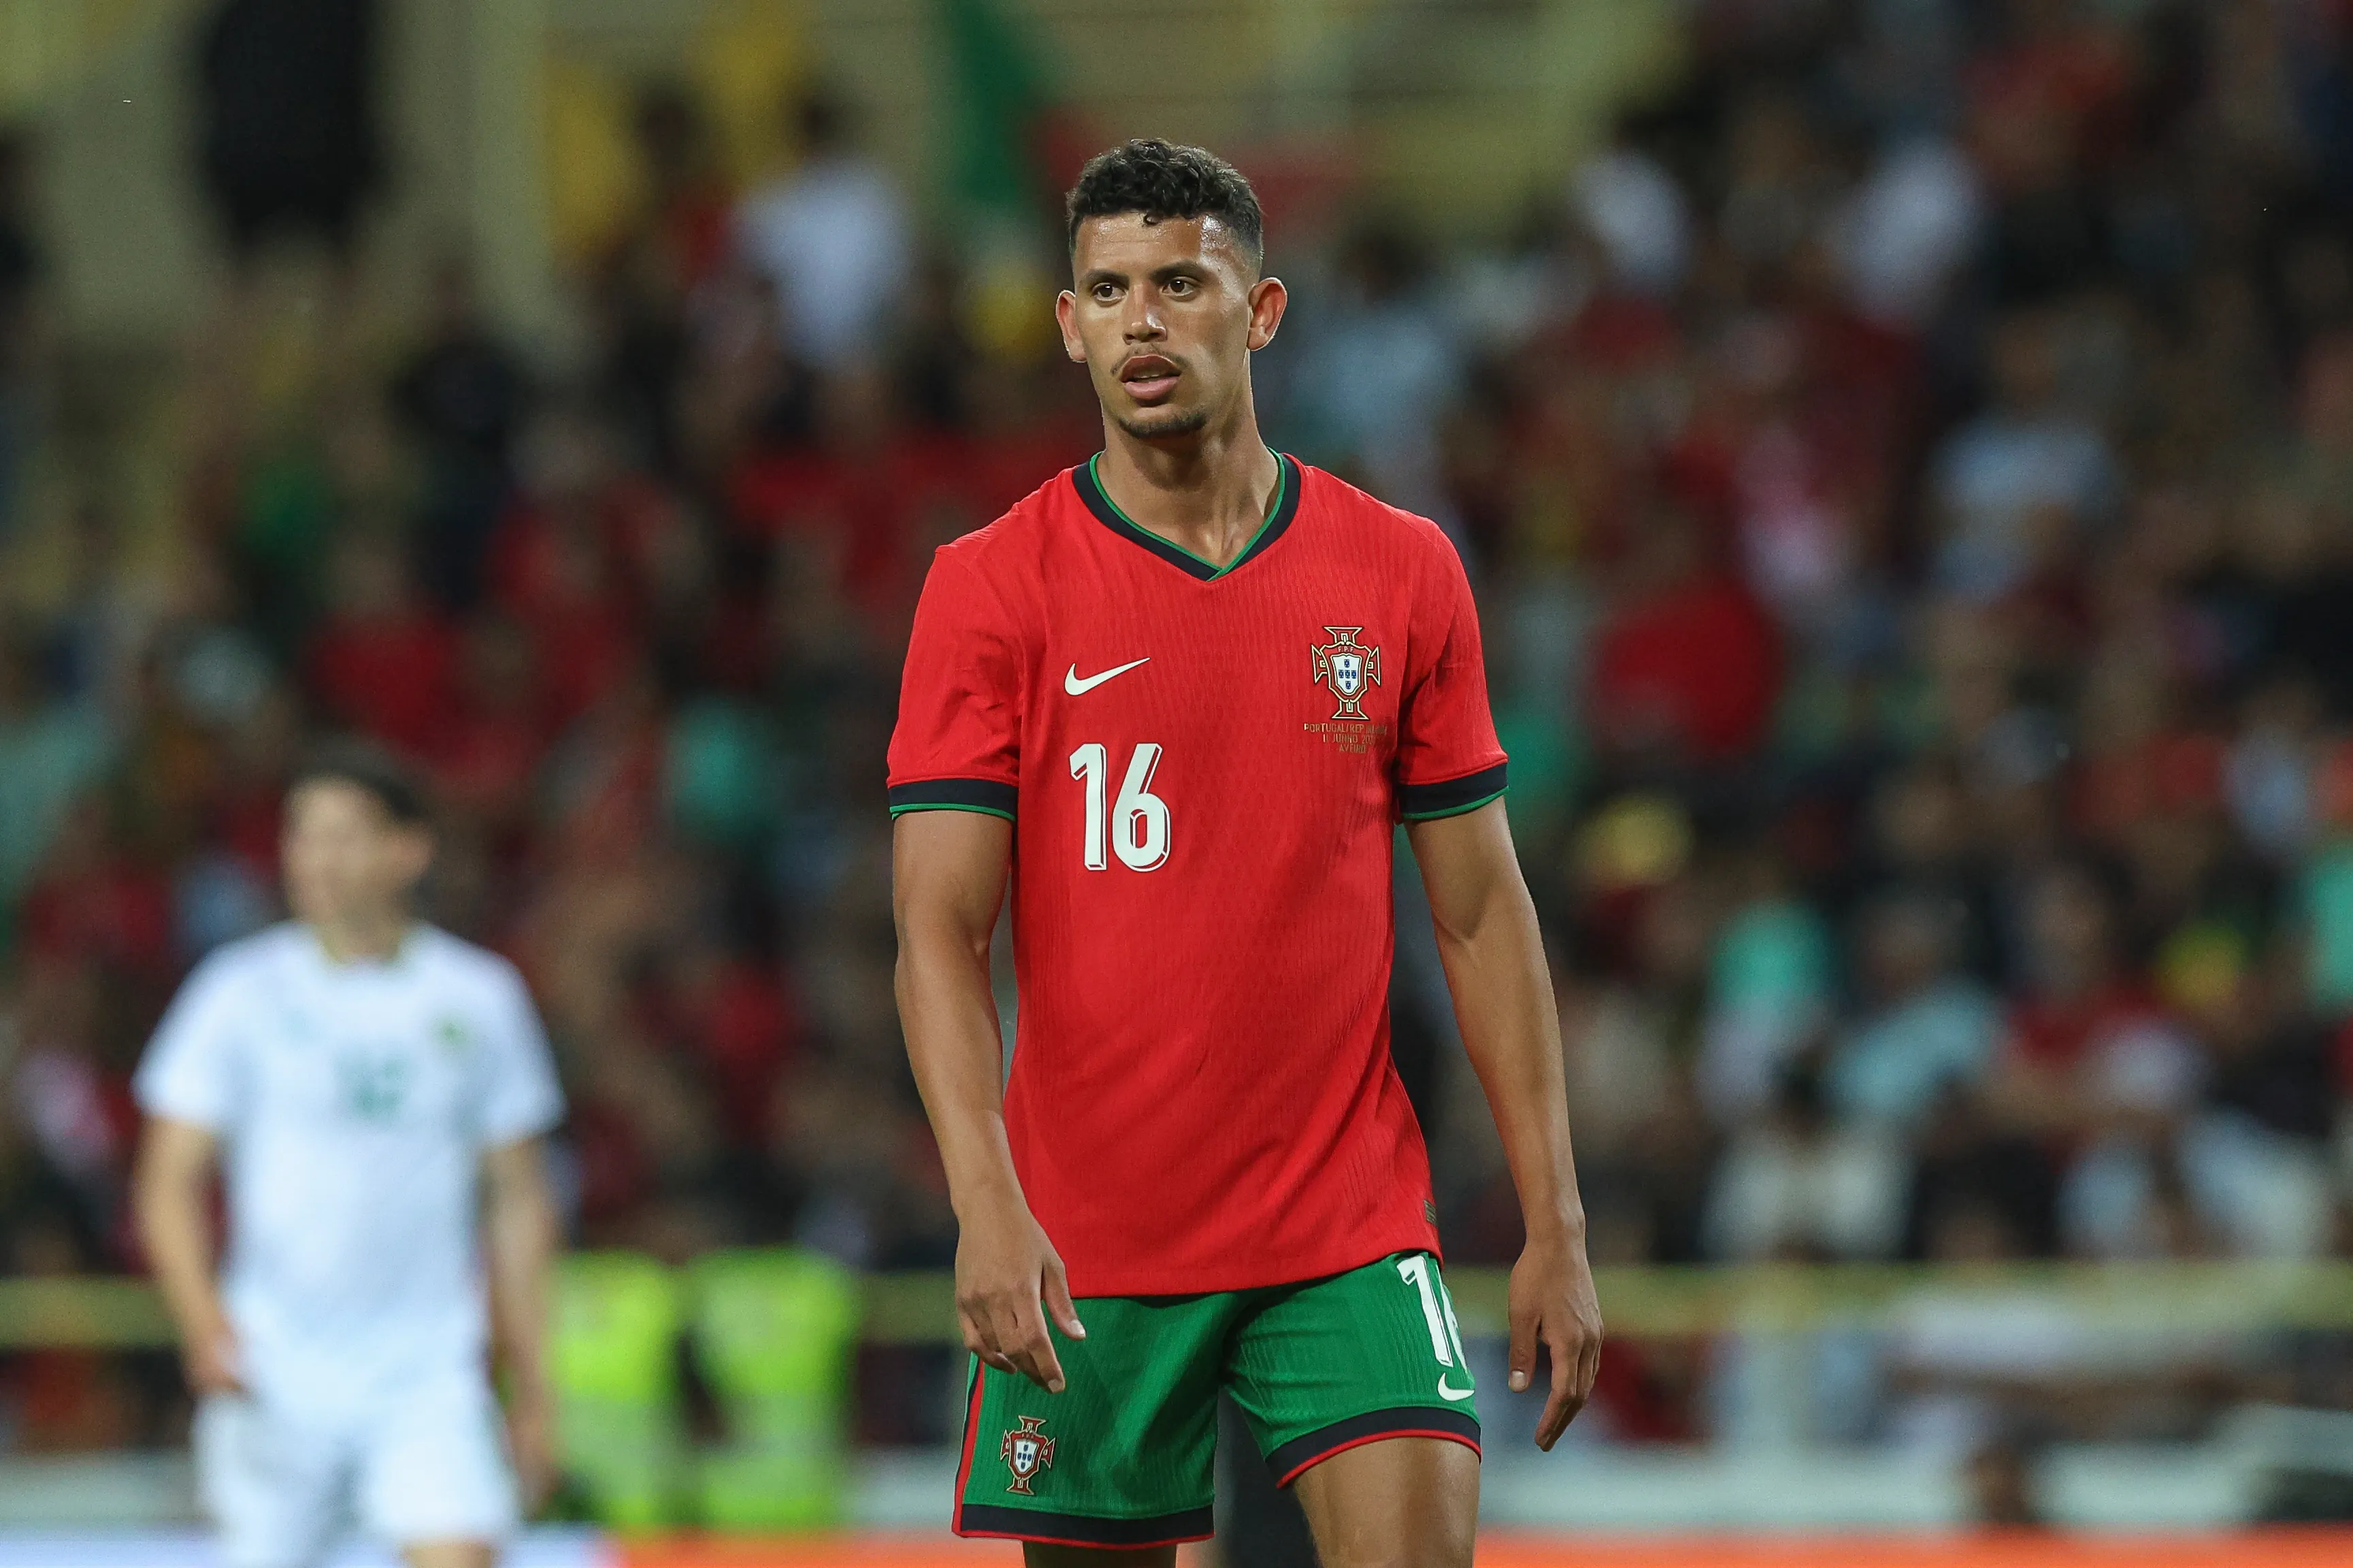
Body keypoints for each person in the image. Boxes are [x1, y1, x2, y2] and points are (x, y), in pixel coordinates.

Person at [889, 139, 1602, 1565]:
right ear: (1066, 322)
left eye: (1180, 284)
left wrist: (1555, 1221)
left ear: (1262, 310)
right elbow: (937, 935)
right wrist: (984, 1205)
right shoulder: (988, 587)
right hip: (1087, 1240)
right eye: (1107, 290)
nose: (1142, 322)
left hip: (1342, 1223)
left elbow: (1477, 910)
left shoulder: (1400, 569)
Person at [132, 743, 563, 1568]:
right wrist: (201, 1322)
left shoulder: (479, 998)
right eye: (301, 834)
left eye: (343, 835)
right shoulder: (238, 992)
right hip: (274, 1367)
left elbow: (518, 1201)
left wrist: (535, 1391)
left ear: (409, 849)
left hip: (426, 1371)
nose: (315, 857)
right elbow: (165, 1180)